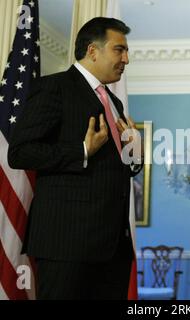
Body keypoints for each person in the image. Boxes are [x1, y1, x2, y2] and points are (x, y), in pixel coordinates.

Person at [8, 17, 143, 300]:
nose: (126, 59)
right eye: (120, 50)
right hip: (67, 244)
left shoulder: (114, 103)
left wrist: (134, 152)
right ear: (93, 50)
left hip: (112, 250)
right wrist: (81, 151)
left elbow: (115, 169)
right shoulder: (53, 88)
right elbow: (20, 152)